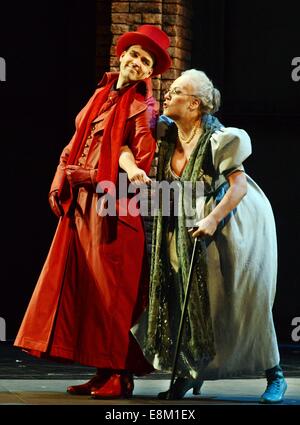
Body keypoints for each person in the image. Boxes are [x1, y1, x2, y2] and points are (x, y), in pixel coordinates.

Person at [14, 25, 172, 399]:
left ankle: (121, 374)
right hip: (83, 207)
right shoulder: (102, 94)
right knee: (85, 291)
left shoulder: (144, 106)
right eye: (133, 54)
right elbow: (74, 144)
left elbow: (137, 158)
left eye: (144, 61)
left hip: (113, 207)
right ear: (123, 56)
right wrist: (59, 182)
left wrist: (121, 168)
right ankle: (103, 372)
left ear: (149, 72)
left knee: (111, 295)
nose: (136, 62)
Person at [120, 69, 287, 403]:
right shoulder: (167, 132)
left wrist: (211, 219)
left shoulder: (218, 138)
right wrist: (132, 169)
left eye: (177, 91)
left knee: (240, 301)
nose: (168, 94)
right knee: (181, 296)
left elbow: (238, 186)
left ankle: (275, 374)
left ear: (194, 105)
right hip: (181, 224)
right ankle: (187, 374)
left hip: (226, 223)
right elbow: (123, 145)